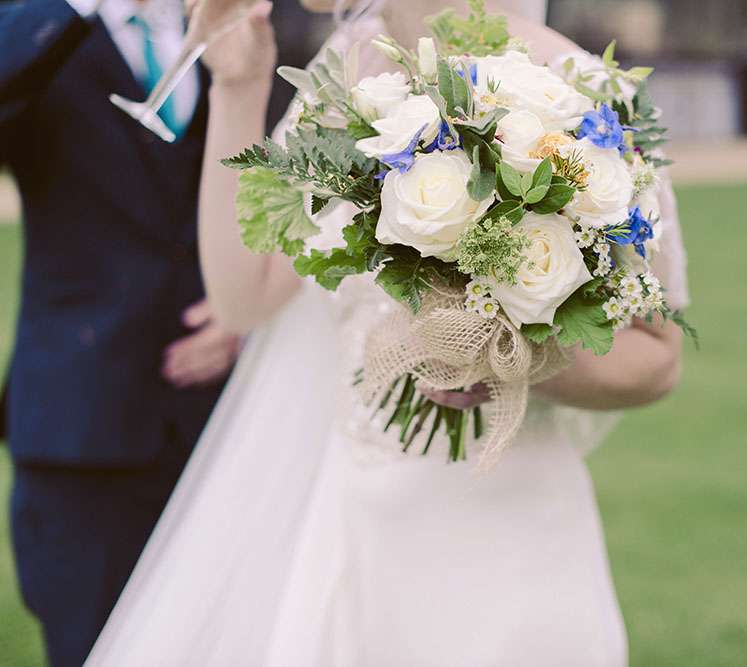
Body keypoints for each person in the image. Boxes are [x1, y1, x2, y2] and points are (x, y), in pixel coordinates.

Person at [84, 0, 692, 664]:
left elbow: (657, 356)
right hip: (348, 530)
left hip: (506, 547)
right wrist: (238, 87)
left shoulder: (573, 86)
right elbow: (242, 299)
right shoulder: (346, 71)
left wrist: (501, 352)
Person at [0, 0, 242, 664]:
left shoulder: (247, 18)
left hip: (227, 424)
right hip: (83, 437)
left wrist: (246, 313)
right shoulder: (39, 27)